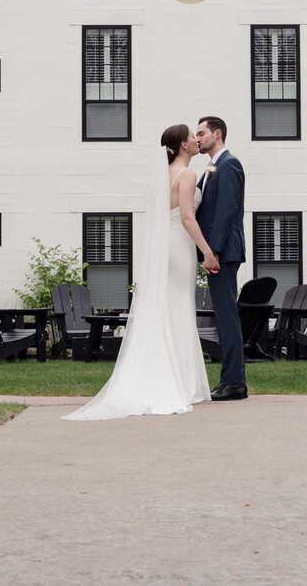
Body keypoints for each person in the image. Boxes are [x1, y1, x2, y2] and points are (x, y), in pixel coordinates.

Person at [61, 125, 217, 421]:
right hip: (180, 247)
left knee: (167, 311)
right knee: (179, 309)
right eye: (192, 138)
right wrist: (207, 251)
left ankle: (171, 377)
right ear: (182, 145)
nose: (197, 141)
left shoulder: (161, 176)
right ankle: (181, 383)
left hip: (165, 248)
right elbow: (187, 217)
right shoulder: (187, 175)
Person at [195, 116, 248, 401]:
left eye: (202, 133)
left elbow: (227, 210)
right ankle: (230, 380)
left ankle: (235, 382)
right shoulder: (212, 168)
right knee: (224, 317)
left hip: (223, 253)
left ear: (218, 133)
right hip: (218, 251)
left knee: (227, 318)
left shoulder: (230, 164)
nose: (198, 138)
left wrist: (212, 251)